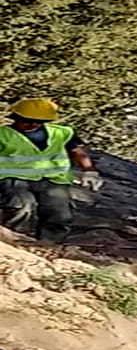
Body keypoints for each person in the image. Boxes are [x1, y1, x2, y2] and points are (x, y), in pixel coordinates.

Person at [0, 98, 101, 242]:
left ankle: (50, 244)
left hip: (52, 179)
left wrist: (89, 171)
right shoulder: (3, 135)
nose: (32, 125)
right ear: (15, 118)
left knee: (59, 213)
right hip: (13, 179)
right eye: (26, 121)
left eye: (38, 122)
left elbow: (77, 152)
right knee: (22, 206)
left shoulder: (61, 133)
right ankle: (15, 241)